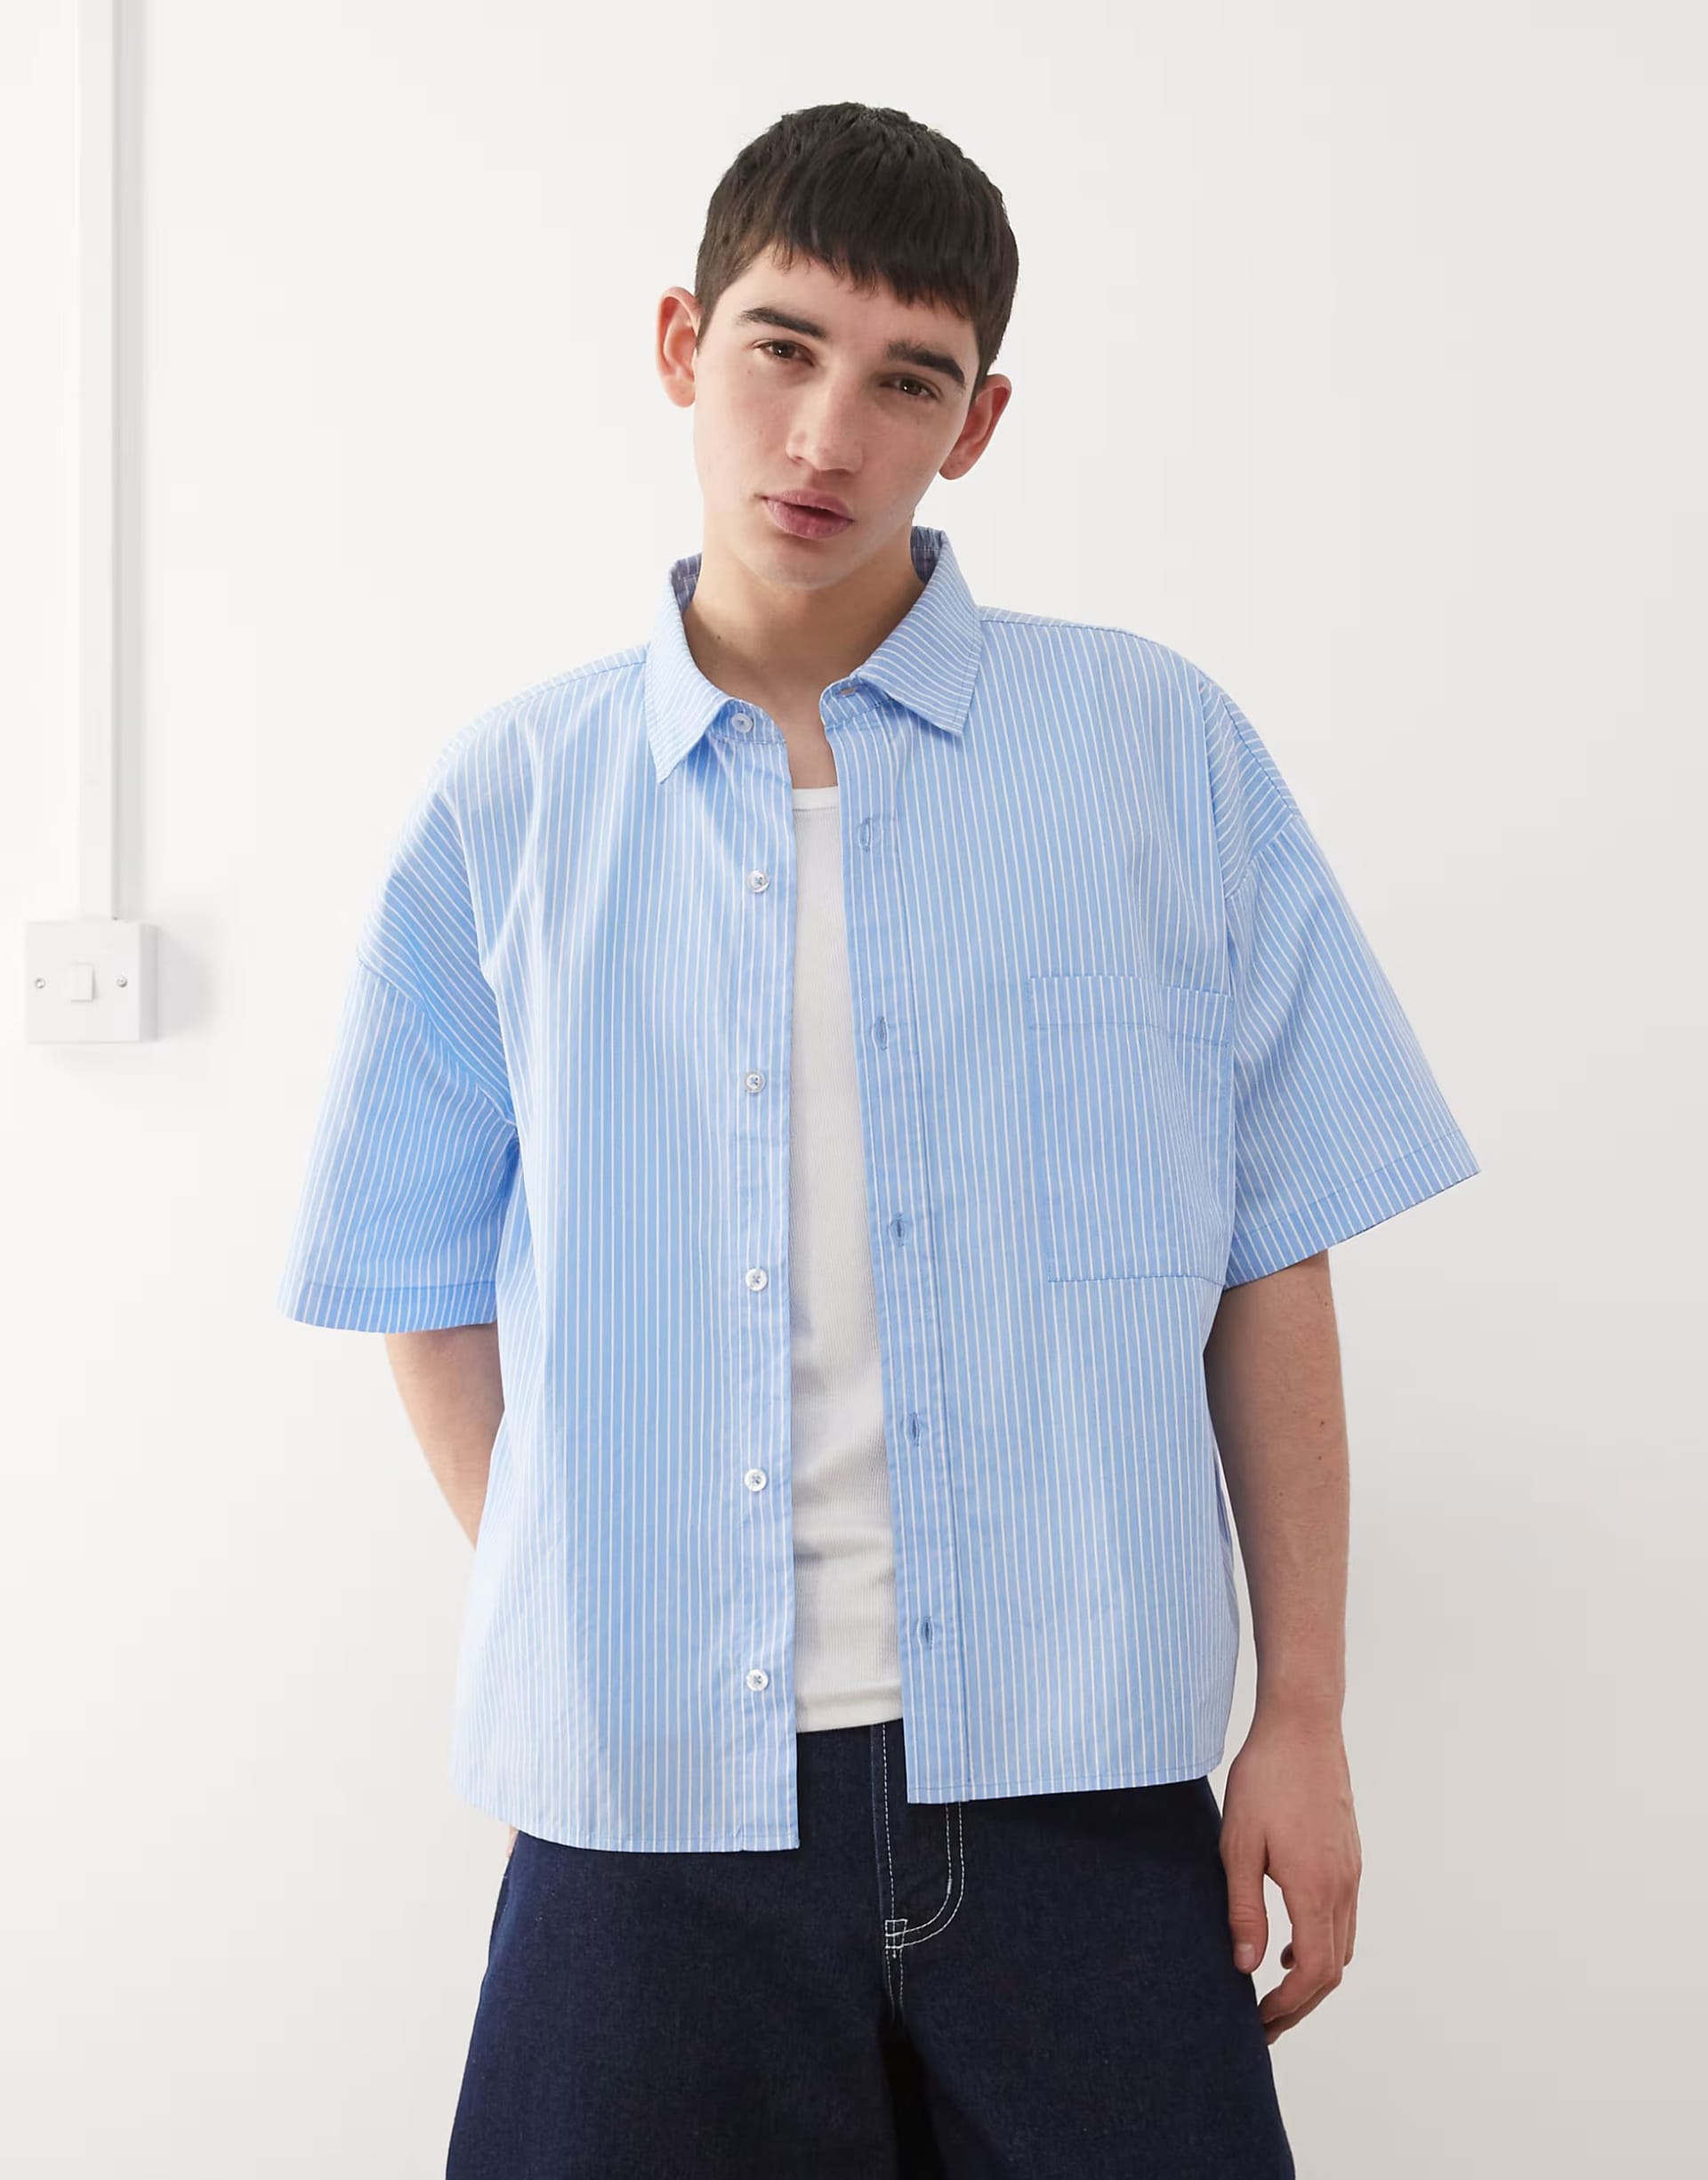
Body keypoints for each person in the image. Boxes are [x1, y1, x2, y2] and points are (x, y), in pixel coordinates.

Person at [277, 100, 1479, 2179]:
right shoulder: (516, 804)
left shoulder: (1153, 753)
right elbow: (425, 1279)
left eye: (908, 379)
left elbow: (1267, 1251)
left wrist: (1302, 1712)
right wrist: (616, 1598)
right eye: (782, 346)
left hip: (1083, 1790)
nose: (827, 432)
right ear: (682, 343)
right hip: (649, 1819)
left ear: (978, 423)